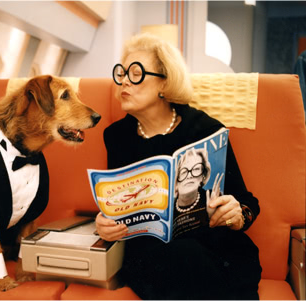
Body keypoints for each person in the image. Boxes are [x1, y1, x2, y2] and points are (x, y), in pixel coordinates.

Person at [96, 33, 261, 300]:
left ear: (165, 82)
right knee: (176, 257)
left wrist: (237, 214)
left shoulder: (206, 130)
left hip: (212, 249)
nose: (124, 81)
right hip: (152, 255)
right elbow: (115, 202)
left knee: (190, 256)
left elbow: (247, 202)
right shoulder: (116, 136)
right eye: (122, 73)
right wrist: (105, 222)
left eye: (136, 73)